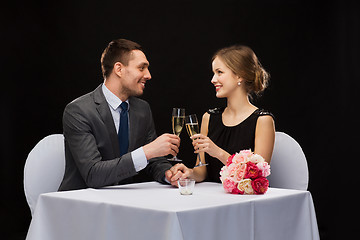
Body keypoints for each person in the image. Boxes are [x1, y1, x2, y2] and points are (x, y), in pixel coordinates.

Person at [59, 39, 186, 191]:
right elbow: (93, 174)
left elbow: (154, 161)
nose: (148, 75)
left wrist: (168, 173)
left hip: (126, 203)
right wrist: (146, 152)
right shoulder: (78, 111)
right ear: (119, 69)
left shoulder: (142, 109)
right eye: (141, 68)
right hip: (81, 205)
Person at [173, 45, 275, 183]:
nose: (213, 79)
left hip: (244, 201)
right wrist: (188, 173)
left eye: (219, 72)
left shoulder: (263, 120)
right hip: (213, 198)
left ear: (240, 75)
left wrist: (218, 152)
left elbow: (256, 176)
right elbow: (201, 172)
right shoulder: (209, 117)